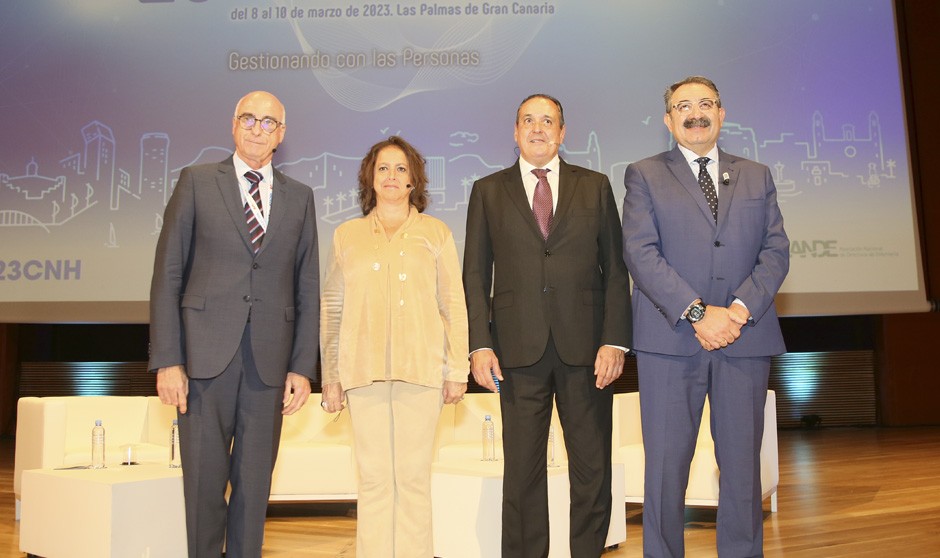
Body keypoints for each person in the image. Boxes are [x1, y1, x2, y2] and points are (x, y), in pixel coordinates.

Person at [621, 76, 789, 557]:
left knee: (741, 468)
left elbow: (775, 251)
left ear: (722, 112)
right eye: (683, 106)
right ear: (668, 120)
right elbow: (640, 252)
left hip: (745, 338)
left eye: (706, 104)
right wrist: (697, 313)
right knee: (666, 469)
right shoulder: (644, 174)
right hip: (671, 342)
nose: (696, 113)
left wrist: (736, 311)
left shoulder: (757, 174)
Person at [149, 91, 319, 558]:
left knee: (253, 490)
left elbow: (307, 286)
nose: (257, 129)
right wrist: (168, 359)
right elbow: (168, 274)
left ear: (281, 135)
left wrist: (302, 367)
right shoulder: (197, 182)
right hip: (203, 364)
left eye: (269, 123)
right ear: (233, 124)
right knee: (203, 489)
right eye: (249, 118)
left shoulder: (300, 198)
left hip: (269, 366)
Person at [463, 93, 632, 557]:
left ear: (563, 132)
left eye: (548, 121)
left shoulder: (594, 186)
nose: (538, 128)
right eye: (528, 120)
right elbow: (475, 275)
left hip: (588, 351)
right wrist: (479, 345)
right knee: (521, 473)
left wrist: (614, 340)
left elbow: (615, 271)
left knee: (593, 469)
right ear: (515, 131)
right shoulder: (488, 190)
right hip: (516, 350)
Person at [319, 136, 469, 557]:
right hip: (361, 375)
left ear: (413, 181)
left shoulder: (435, 233)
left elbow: (453, 305)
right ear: (370, 176)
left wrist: (457, 369)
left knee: (414, 479)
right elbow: (331, 308)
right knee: (372, 481)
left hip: (422, 374)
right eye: (383, 167)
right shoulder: (345, 236)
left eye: (401, 169)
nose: (391, 176)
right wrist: (331, 376)